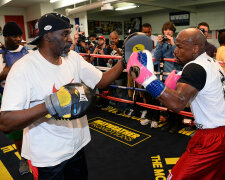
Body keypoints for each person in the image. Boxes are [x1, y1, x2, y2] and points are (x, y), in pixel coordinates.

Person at [0, 13, 125, 180]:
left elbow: (101, 82)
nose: (70, 39)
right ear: (48, 36)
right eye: (65, 34)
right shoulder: (23, 68)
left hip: (77, 146)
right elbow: (6, 122)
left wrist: (125, 61)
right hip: (48, 157)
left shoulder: (73, 58)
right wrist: (50, 105)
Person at [127, 28, 225, 179]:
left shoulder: (195, 68)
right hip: (217, 133)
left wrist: (146, 79)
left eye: (180, 47)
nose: (175, 51)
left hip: (212, 138)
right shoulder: (212, 63)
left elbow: (177, 104)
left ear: (195, 48)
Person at [0, 21, 32, 176]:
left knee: (36, 129)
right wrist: (4, 73)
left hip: (30, 97)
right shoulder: (0, 57)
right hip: (10, 101)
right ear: (5, 37)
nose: (19, 39)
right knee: (18, 135)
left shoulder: (28, 53)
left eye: (20, 35)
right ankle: (24, 159)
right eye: (14, 36)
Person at [154, 21, 183, 133]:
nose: (168, 31)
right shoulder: (162, 43)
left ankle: (177, 123)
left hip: (176, 76)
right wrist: (159, 44)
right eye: (166, 29)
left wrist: (172, 43)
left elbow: (178, 57)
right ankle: (169, 122)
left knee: (176, 100)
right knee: (167, 101)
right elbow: (156, 57)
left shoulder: (178, 42)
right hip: (165, 75)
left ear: (173, 31)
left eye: (170, 29)